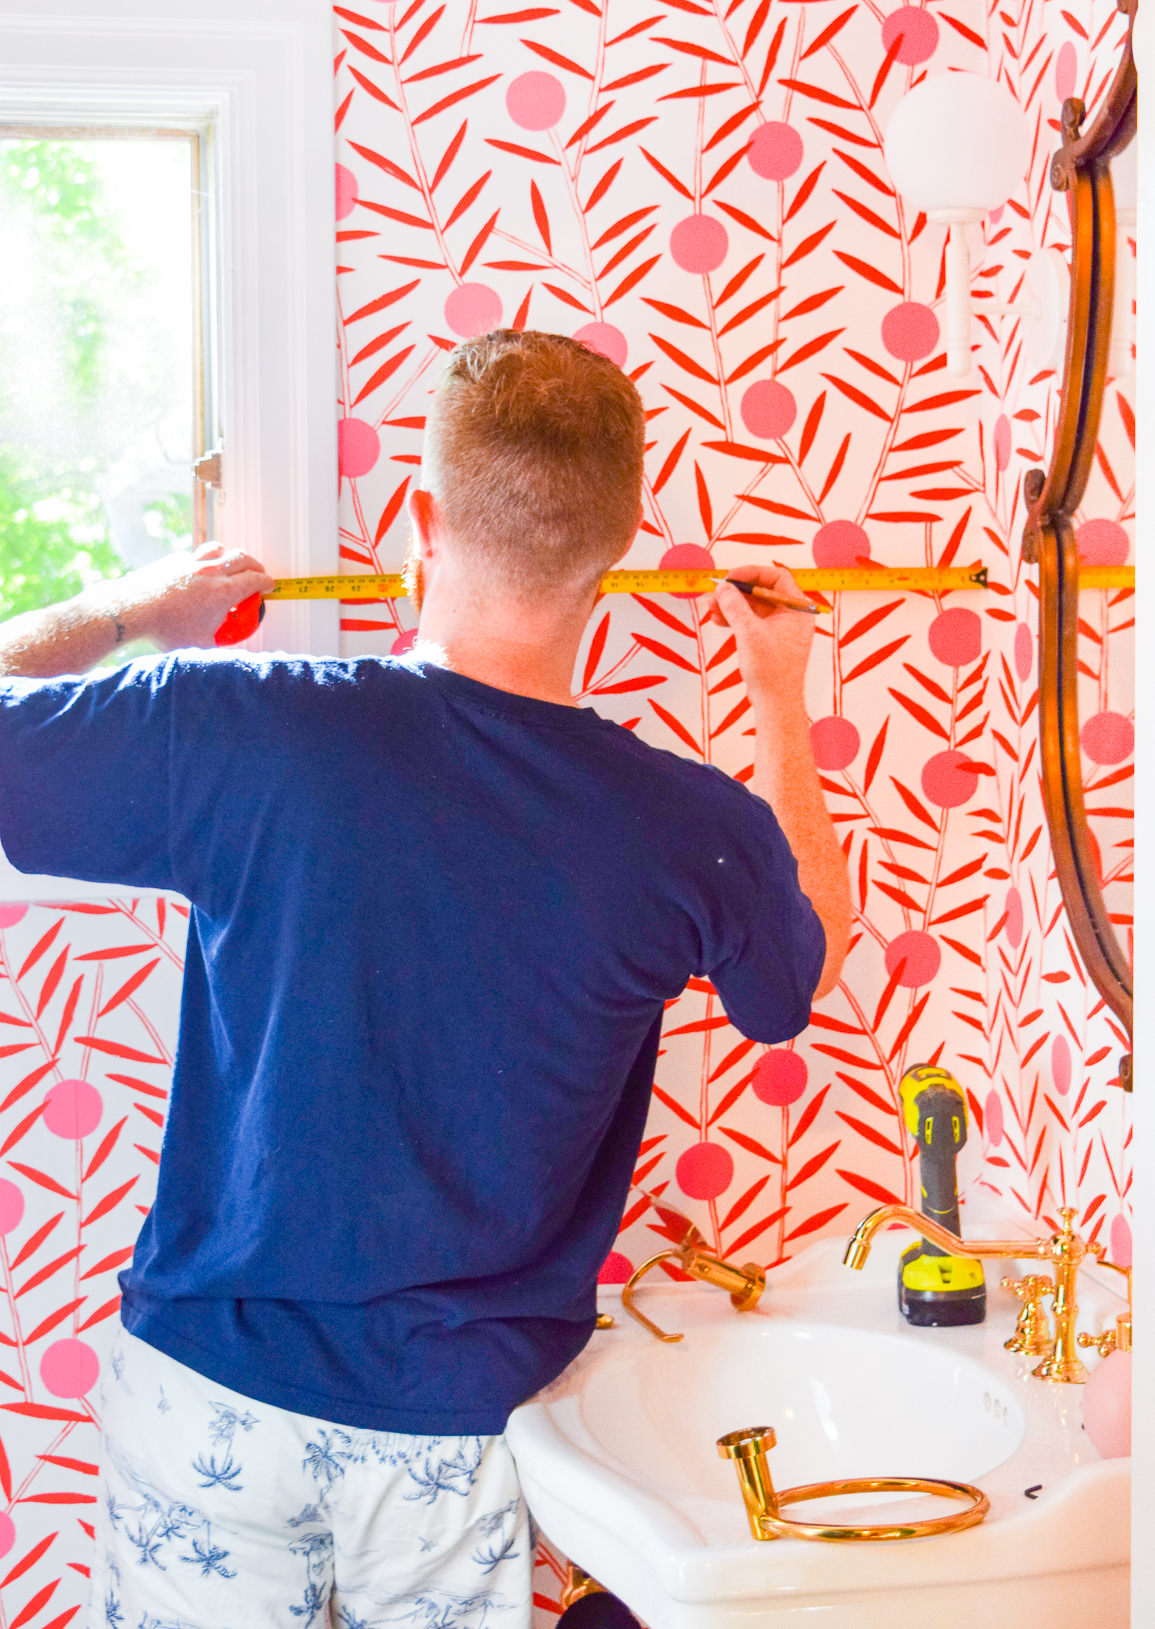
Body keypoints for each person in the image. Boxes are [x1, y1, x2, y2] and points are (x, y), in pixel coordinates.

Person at [0, 331, 851, 1629]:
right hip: (460, 1436)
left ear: (417, 519)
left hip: (211, 1393)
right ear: (617, 547)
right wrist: (780, 694)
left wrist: (137, 615)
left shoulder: (234, 723)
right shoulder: (685, 828)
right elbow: (801, 977)